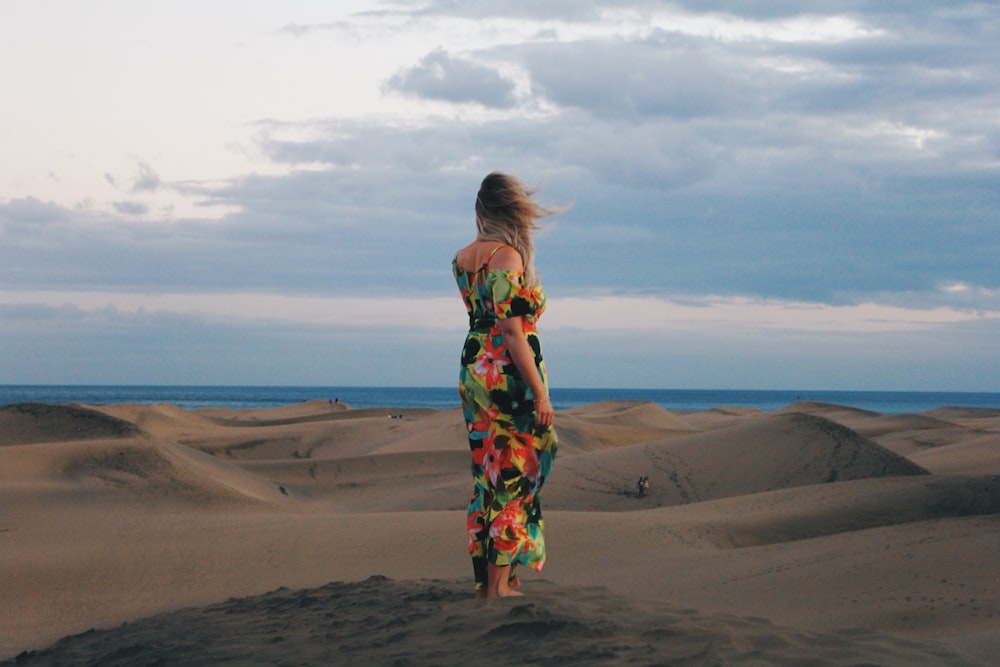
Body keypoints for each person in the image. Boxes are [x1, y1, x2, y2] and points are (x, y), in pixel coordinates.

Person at [452, 172, 561, 599]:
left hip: (473, 366)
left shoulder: (462, 257)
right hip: (505, 374)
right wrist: (541, 392)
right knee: (514, 474)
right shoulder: (507, 256)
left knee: (489, 473)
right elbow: (512, 332)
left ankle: (492, 582)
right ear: (511, 210)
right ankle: (499, 588)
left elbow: (488, 318)